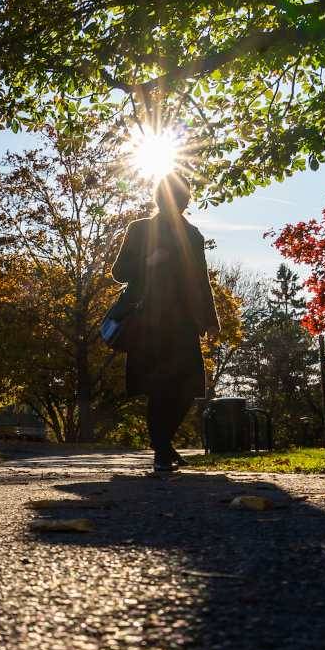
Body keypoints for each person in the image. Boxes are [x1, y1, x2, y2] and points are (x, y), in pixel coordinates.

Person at [111, 174, 219, 471]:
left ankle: (163, 445)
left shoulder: (193, 234)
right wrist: (149, 262)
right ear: (159, 198)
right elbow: (118, 272)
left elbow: (202, 281)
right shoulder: (140, 229)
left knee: (188, 388)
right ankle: (161, 451)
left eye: (182, 196)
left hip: (184, 323)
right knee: (159, 387)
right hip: (148, 321)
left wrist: (211, 321)